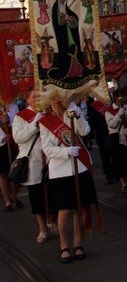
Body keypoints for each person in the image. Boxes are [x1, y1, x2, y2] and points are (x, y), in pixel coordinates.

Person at [40, 97, 97, 263]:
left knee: (81, 207)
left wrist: (78, 115)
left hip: (80, 166)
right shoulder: (45, 121)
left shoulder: (71, 114)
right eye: (53, 99)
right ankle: (64, 245)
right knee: (65, 210)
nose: (56, 102)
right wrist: (66, 152)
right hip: (60, 170)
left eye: (59, 98)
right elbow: (47, 148)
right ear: (48, 102)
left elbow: (86, 131)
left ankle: (78, 243)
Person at [12, 88, 57, 242]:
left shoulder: (48, 113)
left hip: (50, 160)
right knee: (37, 198)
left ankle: (53, 221)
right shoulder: (20, 117)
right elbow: (18, 137)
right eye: (34, 96)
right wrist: (34, 123)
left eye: (39, 96)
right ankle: (43, 228)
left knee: (52, 195)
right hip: (33, 163)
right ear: (27, 100)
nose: (37, 99)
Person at [105, 90, 127, 194]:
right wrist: (119, 116)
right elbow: (111, 124)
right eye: (121, 97)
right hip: (117, 139)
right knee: (120, 161)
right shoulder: (109, 110)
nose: (123, 98)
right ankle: (123, 182)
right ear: (116, 98)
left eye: (124, 96)